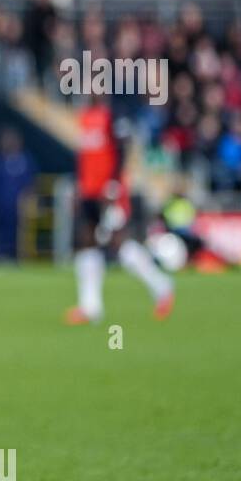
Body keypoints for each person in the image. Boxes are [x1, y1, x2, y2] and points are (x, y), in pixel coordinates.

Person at [66, 90, 174, 325]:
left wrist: (114, 184)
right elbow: (83, 157)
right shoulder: (84, 117)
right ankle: (90, 306)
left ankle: (160, 285)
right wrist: (78, 186)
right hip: (88, 192)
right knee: (86, 241)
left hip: (109, 191)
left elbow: (123, 149)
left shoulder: (113, 116)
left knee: (117, 243)